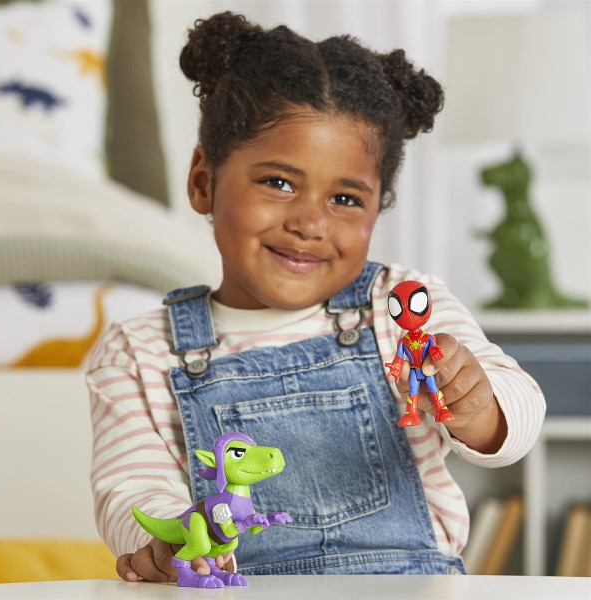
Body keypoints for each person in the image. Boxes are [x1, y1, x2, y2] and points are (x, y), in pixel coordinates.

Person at [87, 12, 545, 582]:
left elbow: (521, 414)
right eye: (278, 183)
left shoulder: (400, 305)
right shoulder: (138, 353)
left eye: (346, 199)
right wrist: (174, 538)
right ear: (204, 181)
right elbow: (132, 490)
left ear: (378, 207)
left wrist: (478, 408)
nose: (310, 223)